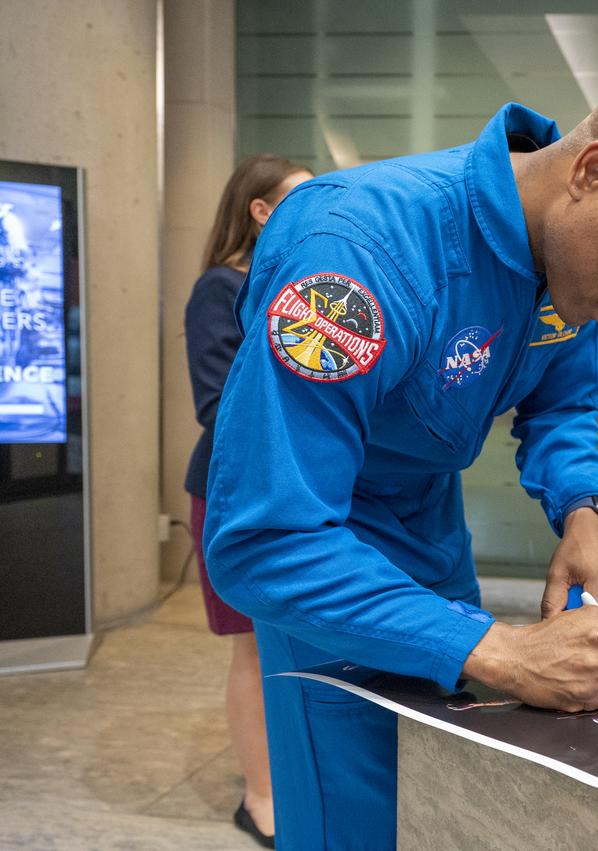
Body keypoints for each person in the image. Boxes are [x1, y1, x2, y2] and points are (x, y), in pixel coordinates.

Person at [202, 80, 598, 849]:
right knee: (361, 813)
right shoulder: (352, 251)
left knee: (446, 800)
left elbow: (562, 402)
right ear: (594, 171)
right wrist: (497, 648)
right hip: (331, 556)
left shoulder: (582, 267)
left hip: (433, 531)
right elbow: (264, 539)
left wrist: (583, 509)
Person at [183, 154, 311, 848]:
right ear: (260, 210)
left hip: (285, 494)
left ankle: (281, 783)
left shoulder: (285, 284)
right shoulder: (219, 288)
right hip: (235, 495)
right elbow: (216, 402)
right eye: (300, 199)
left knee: (280, 649)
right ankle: (258, 798)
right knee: (251, 652)